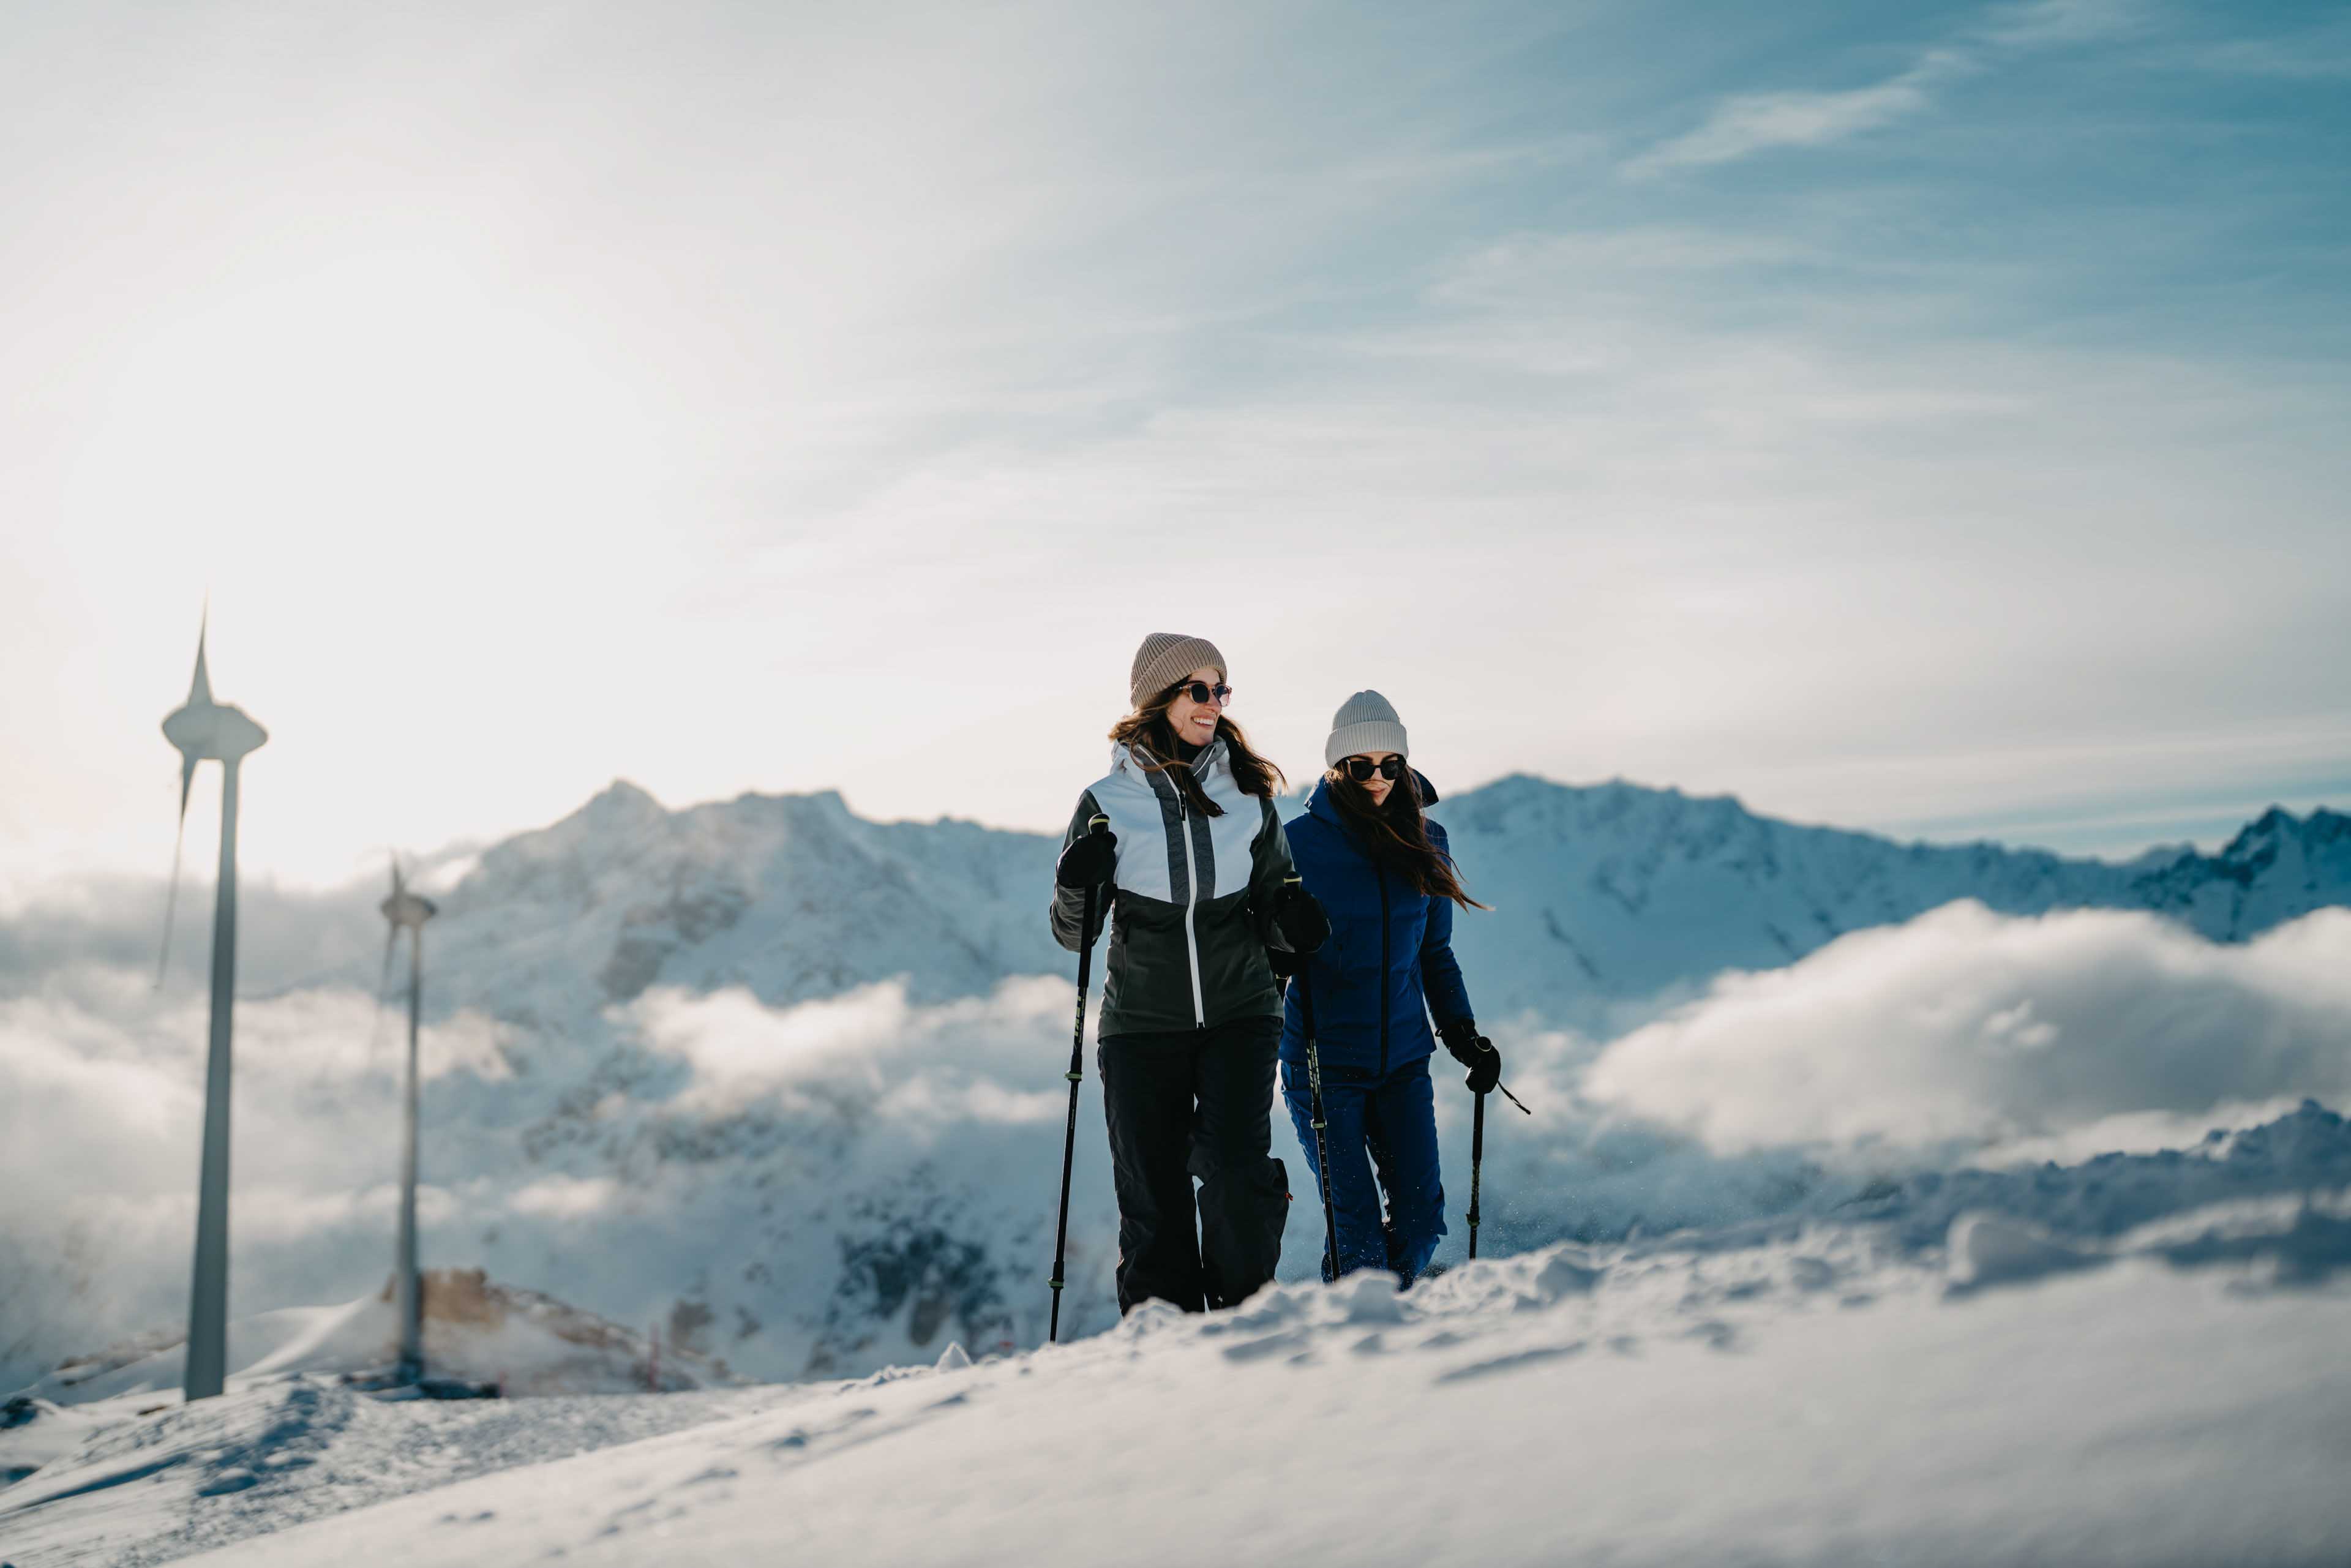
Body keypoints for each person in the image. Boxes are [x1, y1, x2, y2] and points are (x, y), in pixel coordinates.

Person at [1049, 632, 1330, 1315]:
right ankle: (1164, 1348)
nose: (1214, 703)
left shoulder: (1250, 797)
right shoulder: (1105, 802)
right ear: (1160, 699)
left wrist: (1293, 919)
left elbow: (1276, 902)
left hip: (1242, 1012)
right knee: (1153, 1199)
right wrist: (1076, 883)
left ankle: (1247, 1318)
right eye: (1198, 689)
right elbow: (1074, 933)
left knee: (1237, 1177)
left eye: (1220, 689)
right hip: (1141, 1025)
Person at [1280, 689, 1498, 1285]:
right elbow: (1261, 955)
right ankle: (1362, 1339)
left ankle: (1389, 1326)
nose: (1377, 777)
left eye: (1390, 764)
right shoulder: (1296, 845)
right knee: (1358, 1238)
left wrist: (1462, 1033)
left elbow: (1435, 952)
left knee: (1423, 1222)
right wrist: (1280, 938)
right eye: (1361, 765)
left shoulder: (1430, 840)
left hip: (1404, 1059)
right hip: (1325, 1064)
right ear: (1335, 767)